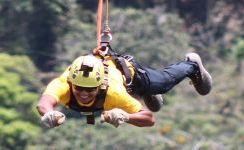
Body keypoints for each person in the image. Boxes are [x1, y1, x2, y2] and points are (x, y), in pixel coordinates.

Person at [36, 51, 212, 128]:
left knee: (161, 84)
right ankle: (147, 94)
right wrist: (48, 114)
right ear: (72, 83)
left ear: (99, 85)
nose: (83, 93)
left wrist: (126, 116)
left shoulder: (113, 93)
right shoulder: (63, 84)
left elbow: (150, 119)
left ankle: (192, 65)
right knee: (153, 103)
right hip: (111, 83)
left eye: (90, 90)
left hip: (129, 75)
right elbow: (44, 103)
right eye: (79, 88)